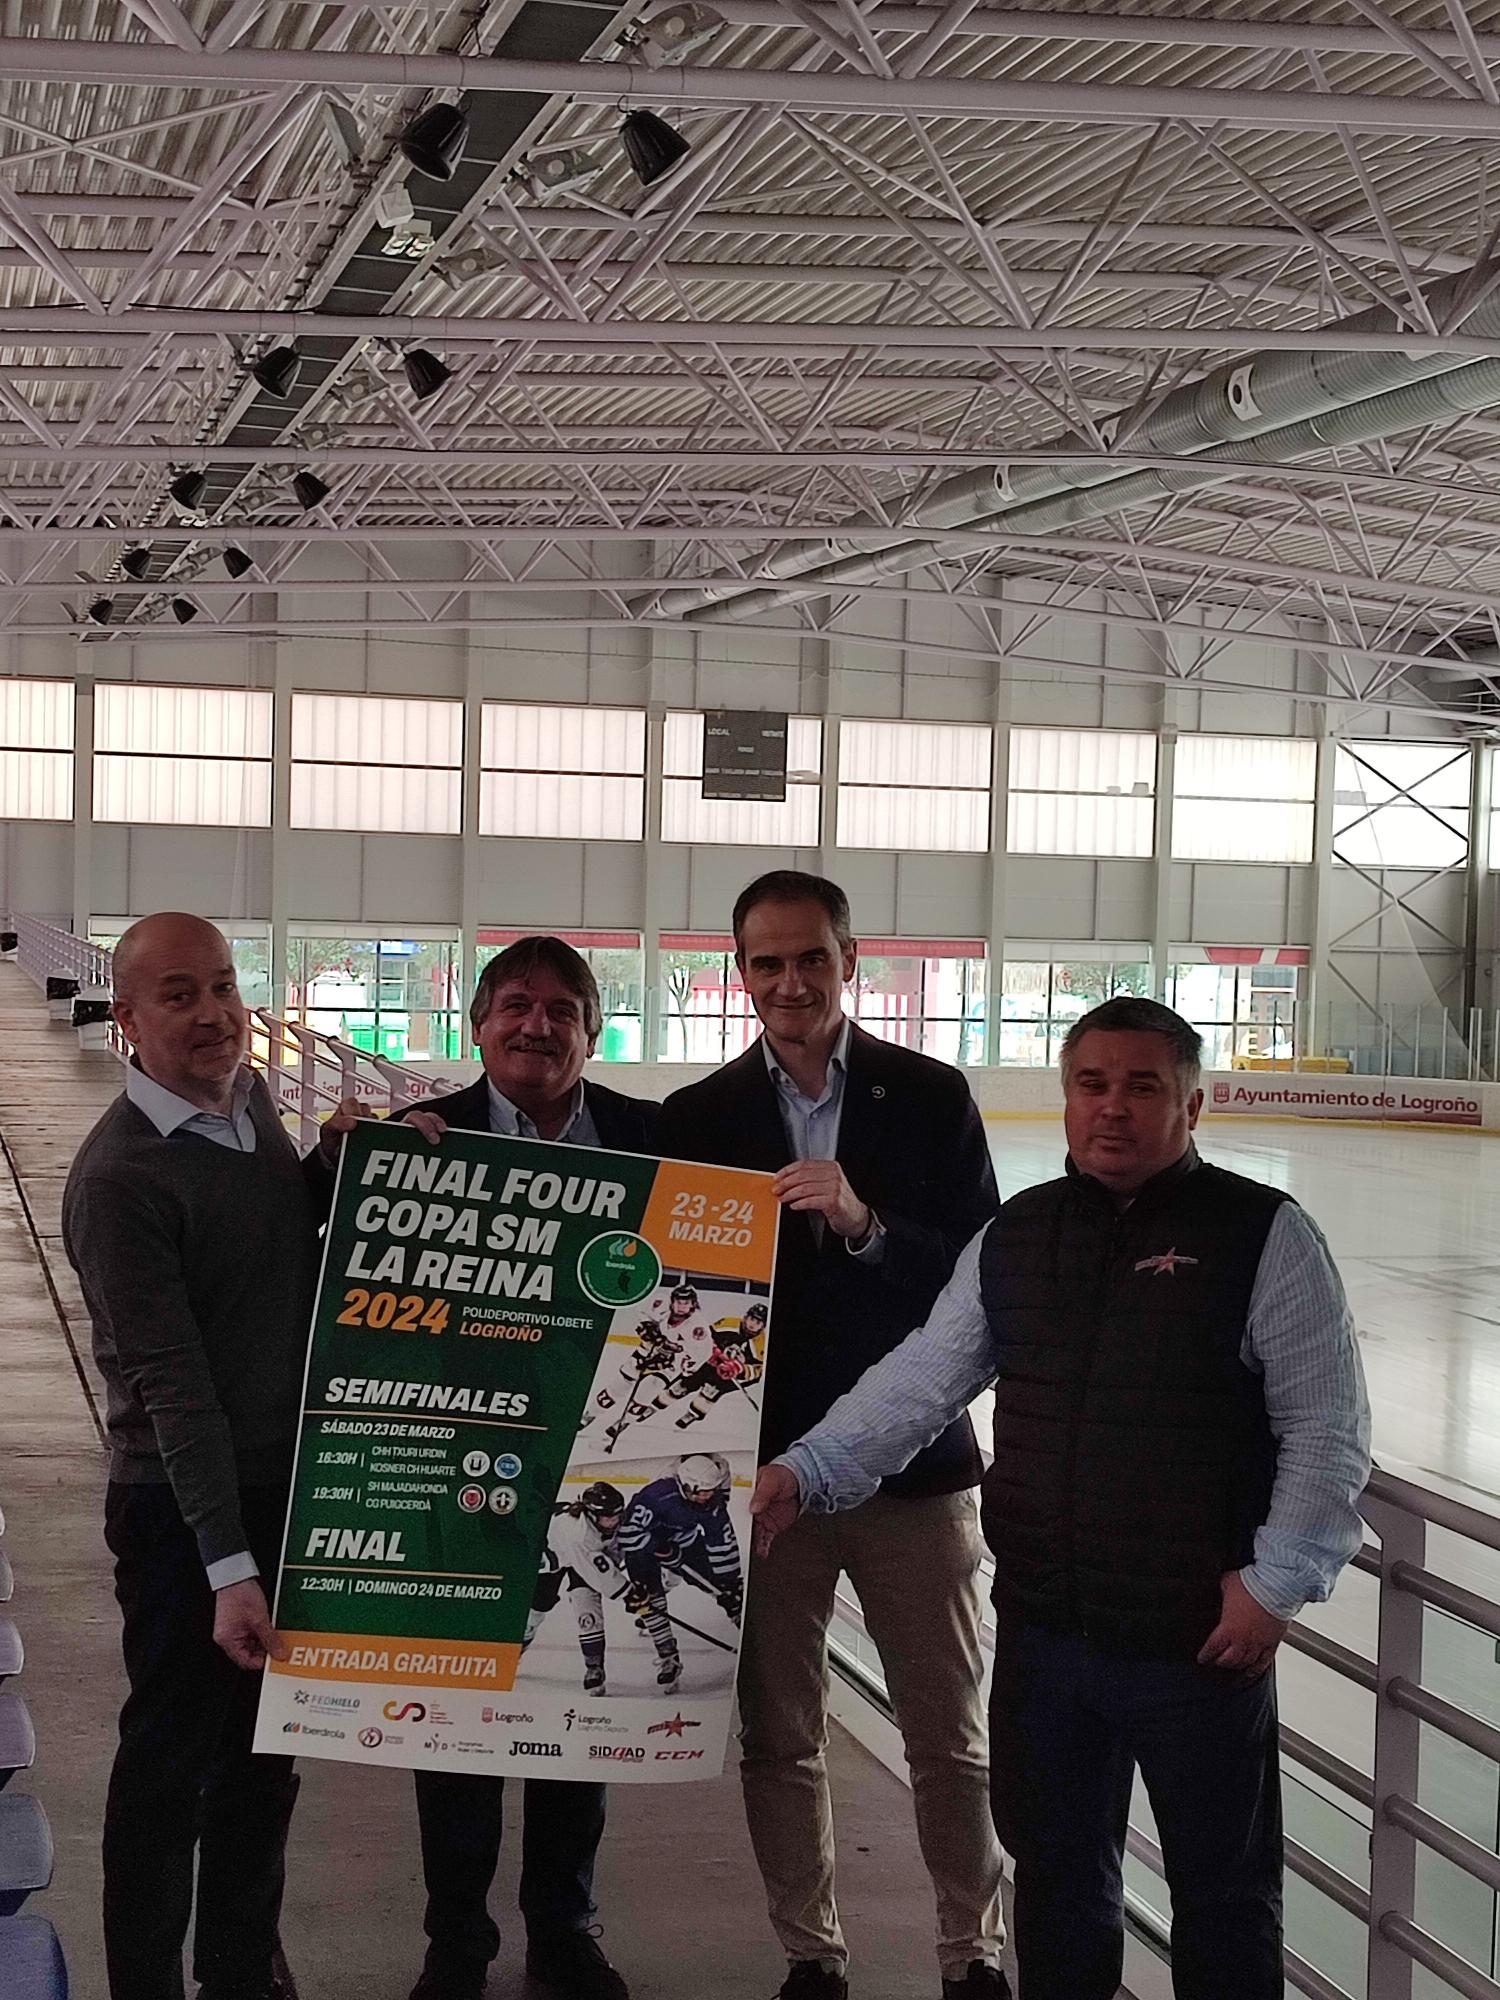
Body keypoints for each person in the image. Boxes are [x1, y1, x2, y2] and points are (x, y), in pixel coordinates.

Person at [753, 996, 1373, 2000]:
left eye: (1143, 1085)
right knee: (1058, 1889)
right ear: (1067, 1096)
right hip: (1047, 1638)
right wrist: (803, 1468)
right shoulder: (1016, 1233)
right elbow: (919, 1383)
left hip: (1199, 1642)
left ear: (1194, 1102)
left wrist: (1276, 1583)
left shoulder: (1265, 1235)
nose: (1113, 1107)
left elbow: (1327, 1425)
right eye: (1093, 1084)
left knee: (1223, 1897)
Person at [658, 871, 1007, 2000]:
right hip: (762, 1481)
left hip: (918, 1476)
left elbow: (979, 1275)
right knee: (781, 1736)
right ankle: (811, 1952)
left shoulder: (932, 1094)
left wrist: (865, 1225)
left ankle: (974, 1950)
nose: (791, 981)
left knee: (949, 1738)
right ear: (741, 971)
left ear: (849, 961)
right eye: (768, 962)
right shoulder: (701, 1116)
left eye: (811, 958)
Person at [61, 913, 393, 2000]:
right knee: (167, 1764)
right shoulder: (119, 1179)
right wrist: (227, 1564)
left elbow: (278, 1249)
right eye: (177, 994)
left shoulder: (249, 1103)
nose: (210, 1014)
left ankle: (243, 1969)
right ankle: (149, 1981)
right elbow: (172, 1390)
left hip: (277, 1481)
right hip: (181, 1508)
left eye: (222, 987)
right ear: (129, 1021)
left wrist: (338, 1159)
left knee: (263, 1759)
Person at [395, 935, 658, 2000]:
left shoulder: (658, 1139)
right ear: (477, 1023)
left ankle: (566, 1927)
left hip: (606, 1462)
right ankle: (456, 1941)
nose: (536, 1025)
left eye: (561, 1008)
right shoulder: (422, 1137)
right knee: (453, 1720)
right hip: (461, 1464)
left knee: (576, 1706)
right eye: (514, 1004)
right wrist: (345, 1159)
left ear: (594, 1030)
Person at [615, 1454, 743, 1689]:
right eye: (702, 1492)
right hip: (643, 1548)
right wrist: (658, 1547)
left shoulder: (713, 1501)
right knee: (650, 1599)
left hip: (684, 1540)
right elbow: (627, 1534)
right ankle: (668, 1657)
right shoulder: (656, 1495)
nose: (707, 1497)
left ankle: (746, 1629)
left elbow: (722, 1543)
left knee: (721, 1585)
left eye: (711, 1491)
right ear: (686, 1486)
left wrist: (729, 1584)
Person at [524, 1483, 627, 1695]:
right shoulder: (577, 1534)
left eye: (616, 1515)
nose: (613, 1521)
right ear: (590, 1515)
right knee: (538, 1607)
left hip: (581, 1559)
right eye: (607, 1517)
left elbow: (607, 1563)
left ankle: (594, 1667)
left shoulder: (612, 1526)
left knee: (586, 1604)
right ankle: (522, 1639)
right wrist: (628, 1593)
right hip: (552, 1556)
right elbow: (601, 1576)